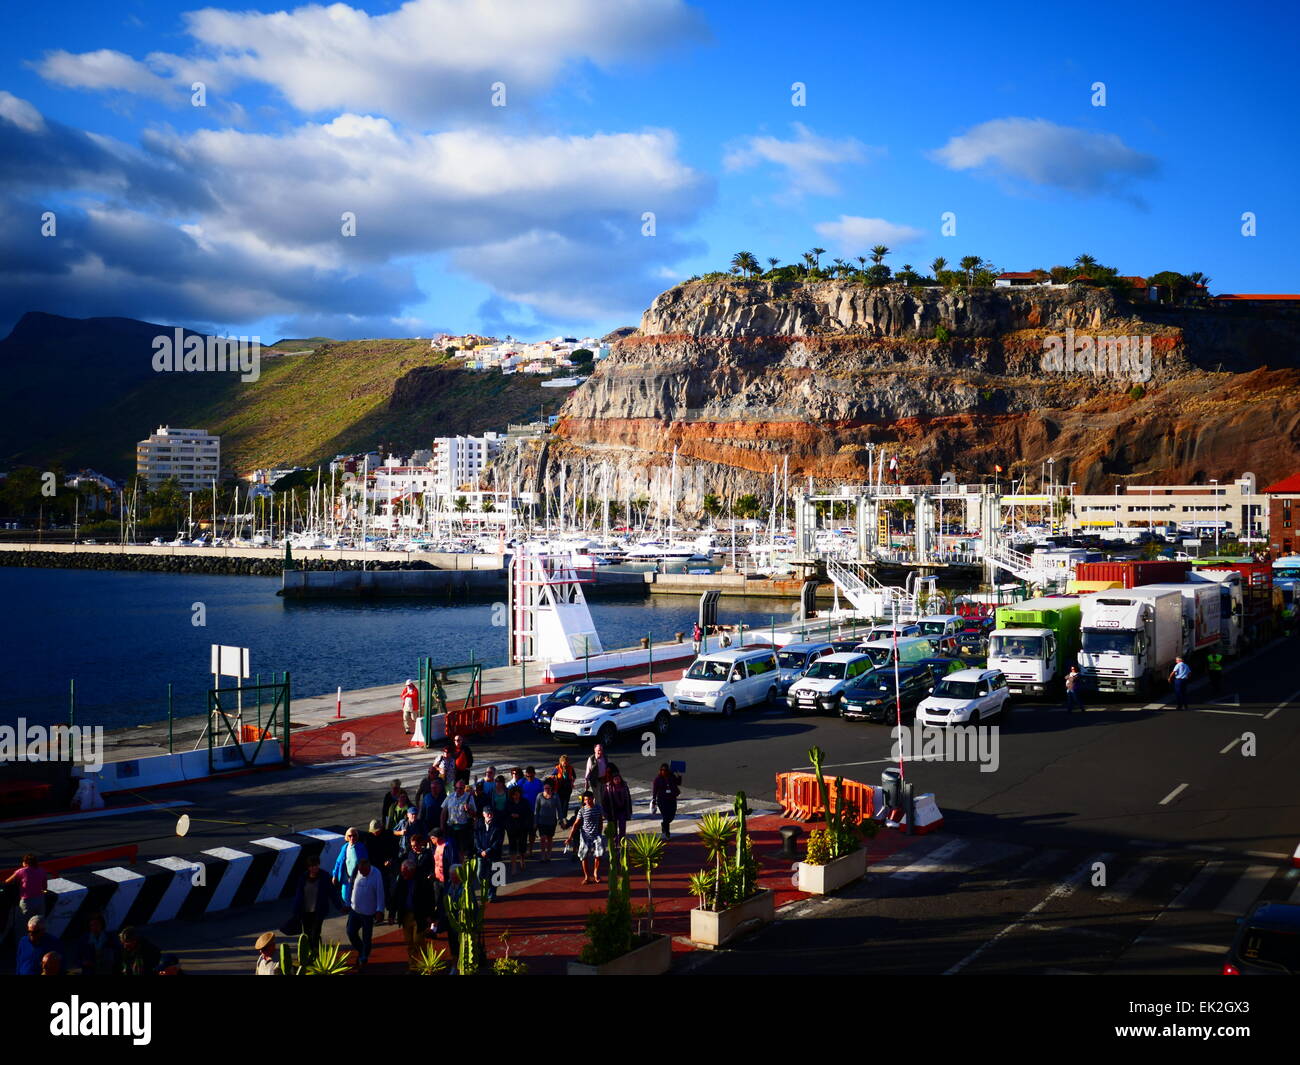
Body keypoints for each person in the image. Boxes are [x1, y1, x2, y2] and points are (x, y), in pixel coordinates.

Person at [290, 854, 337, 959]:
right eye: (312, 866)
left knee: (315, 933)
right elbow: (298, 895)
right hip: (305, 912)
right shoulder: (303, 878)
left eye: (316, 865)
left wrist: (339, 906)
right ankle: (312, 953)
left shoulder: (324, 876)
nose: (314, 868)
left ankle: (318, 954)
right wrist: (296, 911)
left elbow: (332, 893)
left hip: (318, 911)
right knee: (306, 935)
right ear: (308, 867)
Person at [393, 859, 435, 974]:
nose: (403, 874)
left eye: (405, 872)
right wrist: (392, 913)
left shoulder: (422, 880)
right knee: (409, 942)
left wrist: (430, 916)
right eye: (402, 872)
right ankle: (413, 967)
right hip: (406, 915)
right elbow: (396, 896)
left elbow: (430, 899)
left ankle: (427, 963)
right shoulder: (401, 879)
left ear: (412, 871)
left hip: (419, 915)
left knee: (418, 941)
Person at [347, 858, 384, 966]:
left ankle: (364, 957)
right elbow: (351, 886)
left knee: (367, 937)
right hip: (355, 910)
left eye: (363, 871)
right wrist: (347, 903)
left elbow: (380, 892)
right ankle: (361, 949)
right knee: (350, 932)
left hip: (368, 912)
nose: (361, 873)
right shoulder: (356, 871)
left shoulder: (376, 874)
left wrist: (379, 910)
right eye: (360, 870)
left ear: (369, 867)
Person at [566, 791, 606, 884]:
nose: (587, 801)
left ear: (593, 799)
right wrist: (570, 837)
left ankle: (596, 873)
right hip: (585, 836)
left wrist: (600, 832)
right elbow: (576, 824)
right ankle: (587, 876)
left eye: (589, 799)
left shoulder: (598, 808)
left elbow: (600, 821)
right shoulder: (582, 811)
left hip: (596, 835)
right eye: (585, 799)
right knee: (583, 856)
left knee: (599, 854)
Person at [366, 818, 400, 925]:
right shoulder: (369, 838)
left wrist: (390, 859)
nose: (375, 833)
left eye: (377, 831)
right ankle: (376, 915)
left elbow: (395, 849)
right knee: (375, 893)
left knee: (390, 891)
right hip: (375, 868)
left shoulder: (389, 835)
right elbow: (369, 854)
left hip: (388, 868)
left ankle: (391, 914)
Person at [331, 826, 369, 909]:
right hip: (347, 878)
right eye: (350, 836)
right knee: (345, 897)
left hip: (359, 878)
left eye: (354, 835)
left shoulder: (361, 847)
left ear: (357, 836)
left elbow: (366, 862)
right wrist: (335, 875)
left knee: (358, 897)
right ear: (347, 837)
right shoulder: (345, 848)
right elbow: (338, 862)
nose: (352, 838)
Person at [5, 854, 49, 921]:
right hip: (40, 899)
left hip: (27, 901)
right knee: (39, 921)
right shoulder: (42, 871)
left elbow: (7, 882)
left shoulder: (21, 871)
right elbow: (45, 887)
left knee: (23, 922)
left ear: (25, 863)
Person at [473, 808, 505, 900]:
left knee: (494, 875)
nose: (490, 815)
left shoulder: (498, 825)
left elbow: (499, 841)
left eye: (491, 813)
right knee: (480, 874)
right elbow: (476, 839)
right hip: (480, 853)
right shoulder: (478, 824)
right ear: (483, 814)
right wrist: (480, 850)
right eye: (488, 814)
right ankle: (486, 890)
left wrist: (488, 851)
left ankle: (492, 894)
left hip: (494, 854)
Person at [442, 778, 477, 857]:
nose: (458, 790)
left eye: (460, 788)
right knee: (451, 849)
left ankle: (460, 866)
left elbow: (474, 815)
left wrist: (468, 809)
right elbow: (443, 813)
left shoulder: (469, 797)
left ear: (464, 788)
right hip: (450, 828)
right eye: (456, 788)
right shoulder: (450, 796)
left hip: (463, 829)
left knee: (462, 851)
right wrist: (442, 826)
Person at [503, 786, 533, 874]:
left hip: (522, 827)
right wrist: (510, 817)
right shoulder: (508, 803)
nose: (516, 796)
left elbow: (529, 814)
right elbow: (505, 814)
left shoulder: (524, 802)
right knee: (512, 847)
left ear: (520, 793)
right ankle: (513, 866)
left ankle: (522, 861)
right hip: (511, 828)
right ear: (511, 795)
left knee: (522, 846)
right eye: (514, 795)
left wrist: (519, 816)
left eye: (517, 794)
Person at [651, 763, 682, 840]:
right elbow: (654, 791)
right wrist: (654, 800)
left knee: (671, 817)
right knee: (666, 816)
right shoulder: (657, 779)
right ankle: (667, 833)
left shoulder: (671, 776)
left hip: (672, 799)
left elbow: (678, 783)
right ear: (660, 770)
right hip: (662, 800)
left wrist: (679, 775)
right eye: (662, 770)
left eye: (665, 770)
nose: (664, 771)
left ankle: (663, 824)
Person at [534, 781, 563, 862]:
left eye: (548, 788)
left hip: (551, 821)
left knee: (550, 838)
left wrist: (561, 820)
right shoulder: (539, 796)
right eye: (545, 788)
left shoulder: (555, 796)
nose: (546, 790)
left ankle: (548, 854)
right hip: (541, 821)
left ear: (551, 789)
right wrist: (535, 822)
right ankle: (543, 854)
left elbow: (559, 809)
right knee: (542, 838)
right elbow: (536, 810)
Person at [601, 771, 633, 843]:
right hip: (612, 811)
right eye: (615, 779)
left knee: (622, 828)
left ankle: (621, 841)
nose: (617, 781)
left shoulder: (624, 786)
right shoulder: (608, 788)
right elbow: (605, 801)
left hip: (622, 810)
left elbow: (628, 798)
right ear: (612, 780)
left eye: (618, 779)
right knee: (614, 829)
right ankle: (615, 842)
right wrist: (605, 812)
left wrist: (629, 810)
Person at [519, 767, 545, 855]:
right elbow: (515, 793)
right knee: (523, 832)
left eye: (531, 776)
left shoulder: (539, 783)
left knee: (532, 832)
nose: (529, 777)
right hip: (524, 812)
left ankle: (530, 850)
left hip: (535, 812)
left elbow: (543, 796)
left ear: (534, 774)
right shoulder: (521, 782)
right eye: (527, 776)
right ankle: (523, 850)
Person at [552, 755, 577, 826]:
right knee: (560, 804)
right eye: (563, 762)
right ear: (561, 762)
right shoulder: (557, 768)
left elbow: (574, 776)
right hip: (559, 789)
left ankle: (564, 818)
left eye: (566, 762)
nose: (565, 764)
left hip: (567, 789)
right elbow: (553, 776)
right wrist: (555, 778)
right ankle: (560, 817)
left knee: (565, 804)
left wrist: (572, 782)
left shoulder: (570, 768)